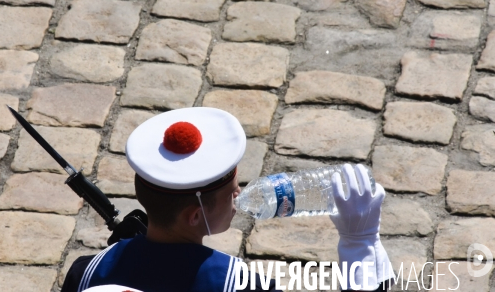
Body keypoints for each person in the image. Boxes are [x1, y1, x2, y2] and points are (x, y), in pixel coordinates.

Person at [62, 107, 394, 292]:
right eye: (231, 192)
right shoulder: (243, 287)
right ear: (194, 216)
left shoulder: (85, 274)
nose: (239, 195)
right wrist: (359, 247)